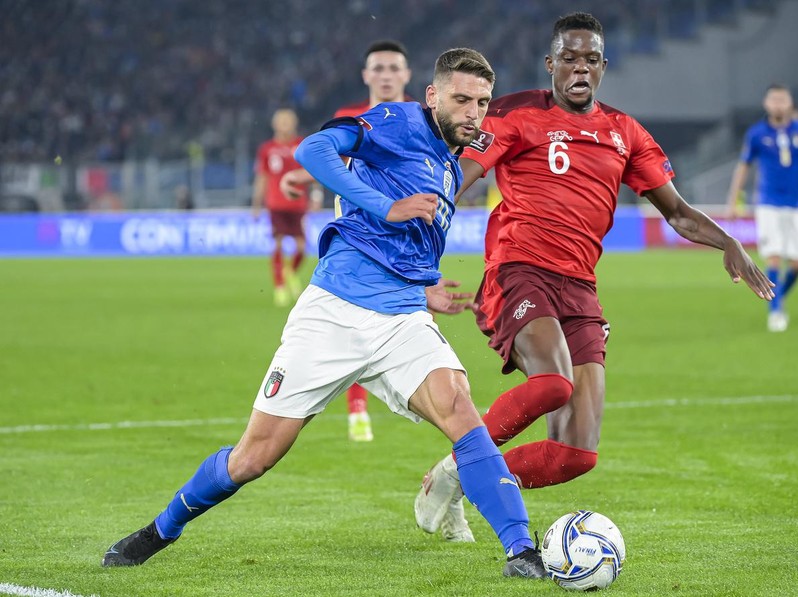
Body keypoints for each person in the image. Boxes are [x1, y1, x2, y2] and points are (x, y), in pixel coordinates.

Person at [102, 47, 547, 580]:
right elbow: (314, 149)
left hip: (401, 316)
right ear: (432, 96)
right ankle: (161, 529)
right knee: (252, 459)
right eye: (461, 99)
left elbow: (405, 242)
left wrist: (425, 286)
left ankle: (522, 553)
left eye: (481, 102)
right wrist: (385, 206)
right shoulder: (397, 121)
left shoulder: (451, 163)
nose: (473, 112)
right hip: (333, 313)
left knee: (459, 407)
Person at [414, 12, 775, 541]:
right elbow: (454, 182)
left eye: (590, 59)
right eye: (568, 58)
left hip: (579, 288)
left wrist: (730, 241)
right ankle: (456, 471)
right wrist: (419, 263)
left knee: (575, 455)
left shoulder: (624, 132)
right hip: (520, 271)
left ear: (603, 67)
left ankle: (459, 479)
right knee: (553, 383)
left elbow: (675, 212)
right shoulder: (514, 115)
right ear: (551, 64)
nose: (579, 68)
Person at [281, 40, 412, 445]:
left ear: (406, 76)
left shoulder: (419, 120)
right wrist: (299, 177)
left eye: (394, 68)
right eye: (379, 68)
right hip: (357, 241)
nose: (386, 75)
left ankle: (430, 401)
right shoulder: (347, 119)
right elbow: (332, 159)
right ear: (366, 76)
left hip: (407, 243)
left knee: (406, 326)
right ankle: (358, 409)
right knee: (354, 326)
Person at [726, 84, 798, 332]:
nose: (778, 104)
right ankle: (775, 312)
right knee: (775, 256)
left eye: (782, 99)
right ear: (766, 103)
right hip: (767, 203)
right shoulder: (757, 133)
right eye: (774, 99)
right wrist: (734, 198)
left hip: (796, 203)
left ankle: (778, 297)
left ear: (790, 103)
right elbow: (743, 165)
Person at [252, 108, 313, 307]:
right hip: (276, 203)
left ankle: (290, 272)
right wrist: (256, 204)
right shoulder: (267, 149)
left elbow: (315, 171)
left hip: (298, 203)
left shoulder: (302, 145)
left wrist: (316, 197)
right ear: (275, 124)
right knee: (277, 243)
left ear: (294, 123)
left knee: (302, 248)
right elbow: (262, 177)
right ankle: (279, 287)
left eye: (289, 121)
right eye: (282, 121)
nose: (285, 124)